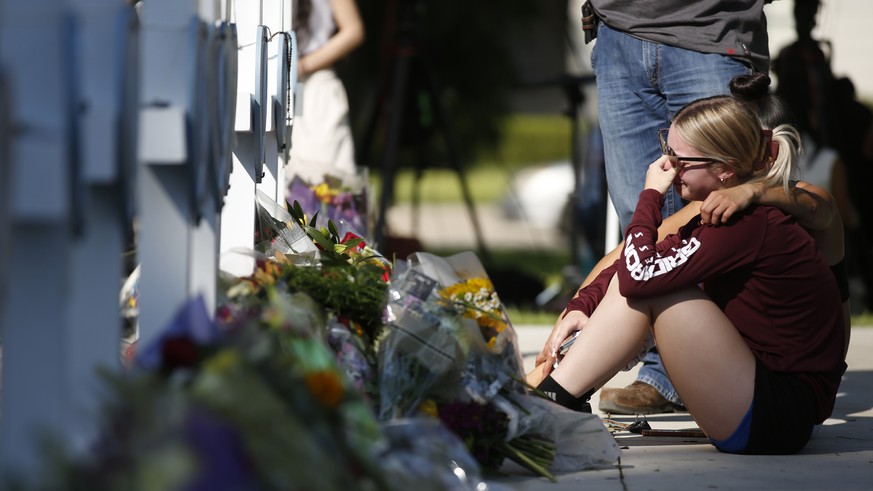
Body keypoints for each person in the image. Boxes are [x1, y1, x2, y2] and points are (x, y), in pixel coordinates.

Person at [531, 86, 846, 454]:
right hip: (767, 408)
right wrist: (582, 304)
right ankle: (551, 402)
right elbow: (644, 256)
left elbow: (638, 274)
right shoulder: (724, 214)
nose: (665, 166)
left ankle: (544, 409)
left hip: (775, 418)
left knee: (656, 286)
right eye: (667, 149)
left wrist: (650, 197)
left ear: (726, 169)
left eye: (679, 158)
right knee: (652, 277)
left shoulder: (747, 222)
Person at [582, 0, 775, 414]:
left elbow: (802, 199)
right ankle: (661, 369)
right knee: (636, 218)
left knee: (722, 213)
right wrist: (582, 302)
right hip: (619, 30)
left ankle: (733, 370)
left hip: (711, 29)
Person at [284, 0, 365, 186]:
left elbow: (353, 30)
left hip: (315, 89)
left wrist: (303, 66)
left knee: (327, 188)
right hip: (269, 89)